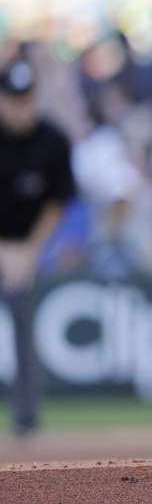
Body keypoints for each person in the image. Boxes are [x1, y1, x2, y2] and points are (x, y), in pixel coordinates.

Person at [0, 53, 76, 437]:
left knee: (23, 319)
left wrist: (29, 249)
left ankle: (26, 420)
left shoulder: (52, 140)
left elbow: (58, 202)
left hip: (26, 246)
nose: (22, 107)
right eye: (14, 99)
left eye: (27, 98)